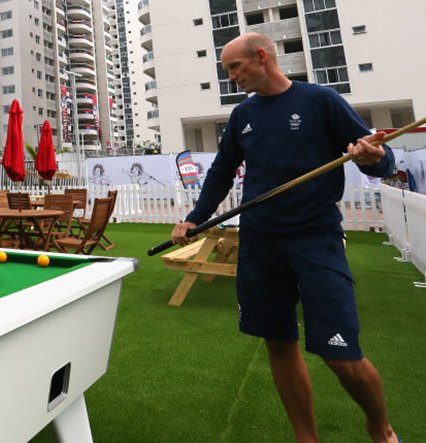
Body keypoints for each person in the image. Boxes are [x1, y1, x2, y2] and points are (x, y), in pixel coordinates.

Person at [169, 33, 398, 443]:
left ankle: (380, 429)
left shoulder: (320, 101)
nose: (232, 77)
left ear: (261, 57)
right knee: (278, 342)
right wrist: (194, 219)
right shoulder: (242, 115)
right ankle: (305, 439)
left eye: (235, 67)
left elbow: (378, 158)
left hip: (315, 238)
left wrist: (375, 157)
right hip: (260, 243)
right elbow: (221, 172)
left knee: (340, 354)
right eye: (227, 71)